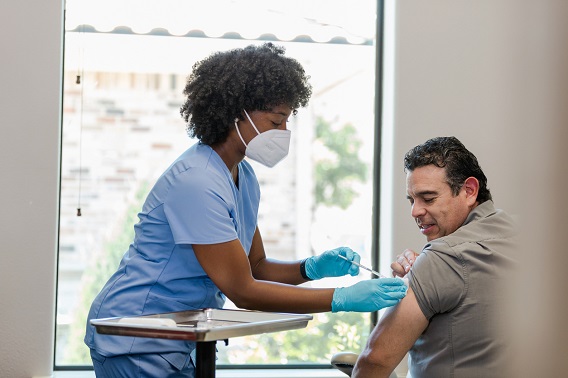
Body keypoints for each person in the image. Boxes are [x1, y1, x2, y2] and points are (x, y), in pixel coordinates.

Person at [84, 43, 407, 378]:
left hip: (180, 337)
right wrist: (340, 299)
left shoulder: (244, 177)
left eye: (287, 122)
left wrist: (312, 268)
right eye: (275, 121)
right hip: (136, 334)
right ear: (235, 114)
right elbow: (243, 291)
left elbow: (256, 267)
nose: (284, 134)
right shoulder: (197, 182)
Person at [352, 136, 517, 377]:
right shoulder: (533, 237)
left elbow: (374, 360)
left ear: (469, 191)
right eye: (412, 200)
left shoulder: (442, 259)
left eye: (428, 198)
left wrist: (431, 269)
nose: (415, 211)